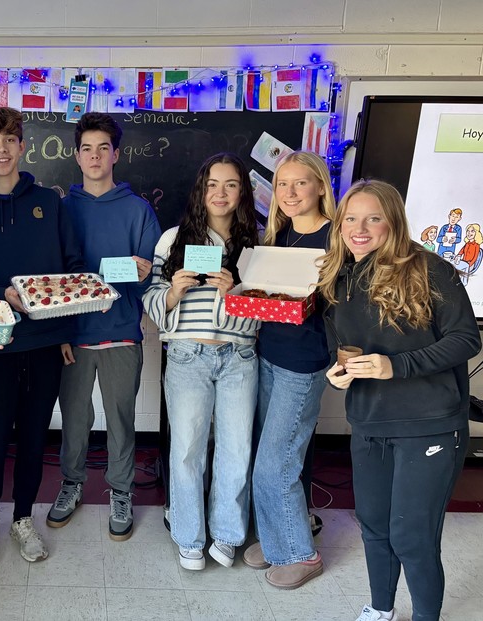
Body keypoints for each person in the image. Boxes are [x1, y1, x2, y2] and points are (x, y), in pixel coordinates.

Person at [319, 180, 480, 621]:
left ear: (393, 221)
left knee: (413, 537)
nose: (360, 228)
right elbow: (346, 350)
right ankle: (380, 608)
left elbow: (466, 338)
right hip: (369, 423)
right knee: (374, 527)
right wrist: (340, 376)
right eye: (351, 218)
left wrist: (398, 366)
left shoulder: (430, 269)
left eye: (374, 218)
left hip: (428, 424)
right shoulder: (337, 277)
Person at [0, 105, 85, 569]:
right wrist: (3, 294)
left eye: (9, 139)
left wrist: (65, 331)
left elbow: (70, 269)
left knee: (32, 437)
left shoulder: (50, 201)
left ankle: (24, 518)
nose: (1, 149)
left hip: (45, 342)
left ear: (22, 145)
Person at [46, 112, 161, 540]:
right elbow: (53, 279)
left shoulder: (138, 210)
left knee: (121, 419)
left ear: (116, 154)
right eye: (86, 149)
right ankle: (71, 484)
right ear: (76, 156)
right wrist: (59, 332)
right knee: (74, 418)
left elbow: (151, 275)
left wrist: (143, 269)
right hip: (73, 339)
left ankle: (121, 490)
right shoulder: (60, 210)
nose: (95, 156)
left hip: (122, 334)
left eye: (103, 148)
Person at [142, 153, 260, 571]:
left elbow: (270, 308)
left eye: (230, 184)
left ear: (242, 191)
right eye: (212, 184)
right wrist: (173, 291)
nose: (220, 193)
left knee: (236, 448)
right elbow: (152, 301)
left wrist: (241, 291)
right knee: (188, 448)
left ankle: (227, 534)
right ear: (200, 190)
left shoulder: (257, 242)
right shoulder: (174, 239)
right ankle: (189, 535)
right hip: (187, 355)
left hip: (240, 356)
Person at [243, 151, 335, 589]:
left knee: (276, 463)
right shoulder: (277, 235)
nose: (291, 193)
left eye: (300, 183)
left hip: (303, 364)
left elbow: (343, 308)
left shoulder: (336, 240)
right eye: (283, 184)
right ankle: (277, 540)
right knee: (269, 453)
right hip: (270, 356)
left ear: (320, 186)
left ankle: (303, 554)